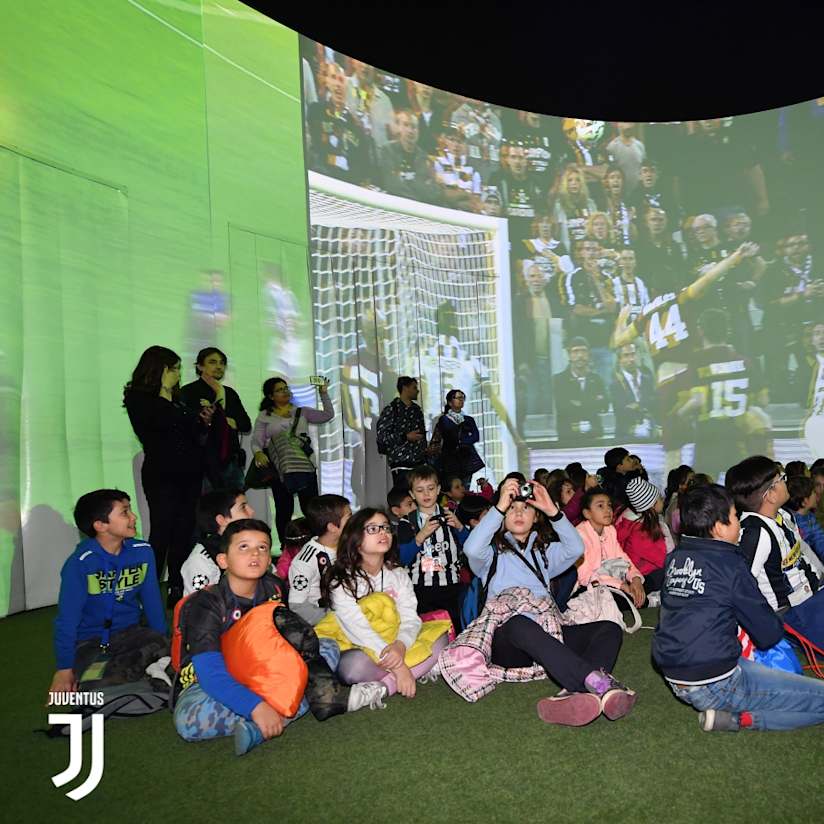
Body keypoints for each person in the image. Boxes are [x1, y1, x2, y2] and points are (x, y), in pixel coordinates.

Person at [173, 519, 387, 755]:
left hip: (265, 670)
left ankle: (267, 720)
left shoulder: (273, 588)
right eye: (244, 547)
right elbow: (210, 673)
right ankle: (280, 711)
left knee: (326, 646)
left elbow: (289, 641)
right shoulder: (206, 603)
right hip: (213, 679)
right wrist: (254, 706)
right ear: (223, 560)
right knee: (188, 722)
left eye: (263, 547)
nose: (255, 553)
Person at [455, 477, 635, 726]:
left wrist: (551, 509)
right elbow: (471, 549)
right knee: (518, 623)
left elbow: (575, 549)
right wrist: (498, 507)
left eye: (526, 507)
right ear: (501, 517)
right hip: (508, 642)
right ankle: (596, 683)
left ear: (536, 516)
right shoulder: (490, 554)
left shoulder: (544, 552)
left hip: (548, 632)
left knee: (609, 628)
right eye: (512, 508)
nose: (519, 512)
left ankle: (580, 691)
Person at [653, 483, 824, 732]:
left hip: (677, 674)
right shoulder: (730, 564)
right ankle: (741, 720)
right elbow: (768, 634)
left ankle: (729, 711)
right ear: (720, 528)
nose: (740, 524)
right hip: (716, 681)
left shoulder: (676, 557)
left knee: (771, 680)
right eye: (736, 517)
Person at [612, 240, 761, 472]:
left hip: (664, 381)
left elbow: (617, 342)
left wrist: (621, 318)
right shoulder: (681, 297)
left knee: (673, 448)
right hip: (689, 378)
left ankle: (675, 496)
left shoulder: (644, 314)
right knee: (713, 430)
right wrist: (737, 256)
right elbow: (709, 278)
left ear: (651, 289)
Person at [49, 490, 167, 700]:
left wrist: (164, 640)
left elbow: (152, 602)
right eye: (125, 512)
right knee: (94, 685)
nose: (134, 517)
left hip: (133, 634)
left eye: (130, 510)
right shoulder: (80, 563)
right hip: (91, 642)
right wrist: (64, 668)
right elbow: (67, 619)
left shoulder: (143, 551)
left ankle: (146, 673)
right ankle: (146, 676)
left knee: (176, 651)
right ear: (100, 525)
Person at [321, 508, 450, 699]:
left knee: (442, 639)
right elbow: (357, 628)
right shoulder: (341, 579)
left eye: (386, 528)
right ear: (355, 538)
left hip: (396, 640)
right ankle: (413, 671)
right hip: (360, 643)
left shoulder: (398, 574)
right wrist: (398, 667)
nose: (383, 533)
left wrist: (400, 645)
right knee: (351, 669)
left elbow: (410, 618)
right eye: (373, 529)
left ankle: (385, 687)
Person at [124, 345, 213, 607]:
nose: (177, 375)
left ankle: (177, 587)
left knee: (185, 532)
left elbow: (193, 438)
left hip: (189, 474)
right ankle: (148, 593)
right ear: (160, 369)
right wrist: (185, 414)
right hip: (162, 474)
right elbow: (158, 425)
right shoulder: (140, 399)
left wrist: (202, 422)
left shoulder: (178, 402)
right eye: (174, 369)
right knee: (162, 531)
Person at [726, 456, 824, 648]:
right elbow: (742, 585)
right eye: (781, 479)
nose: (786, 481)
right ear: (770, 495)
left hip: (813, 595)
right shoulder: (756, 534)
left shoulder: (784, 515)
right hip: (792, 612)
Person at [671, 309, 768, 478]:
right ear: (727, 330)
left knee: (705, 493)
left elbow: (698, 400)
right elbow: (763, 400)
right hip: (738, 437)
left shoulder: (698, 360)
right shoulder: (745, 362)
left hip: (708, 438)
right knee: (740, 489)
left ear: (701, 331)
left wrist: (677, 416)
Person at [251, 376, 334, 543]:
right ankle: (285, 547)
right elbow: (256, 441)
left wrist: (323, 393)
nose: (285, 391)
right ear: (270, 396)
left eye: (286, 388)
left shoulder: (301, 411)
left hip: (304, 465)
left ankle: (315, 542)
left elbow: (327, 415)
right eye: (280, 389)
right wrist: (258, 452)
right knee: (283, 509)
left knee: (310, 508)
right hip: (280, 468)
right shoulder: (264, 416)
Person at [398, 465, 468, 632]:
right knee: (426, 635)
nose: (426, 494)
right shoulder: (407, 523)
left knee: (454, 631)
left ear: (438, 490)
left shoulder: (452, 516)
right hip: (420, 588)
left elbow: (471, 548)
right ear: (412, 494)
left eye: (430, 488)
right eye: (420, 490)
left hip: (451, 586)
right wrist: (421, 536)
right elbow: (401, 559)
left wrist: (459, 528)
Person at [180, 347, 252, 491]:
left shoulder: (229, 393)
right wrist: (222, 421)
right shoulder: (188, 391)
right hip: (203, 461)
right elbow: (188, 425)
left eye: (222, 363)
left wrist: (230, 421)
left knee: (236, 507)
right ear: (200, 366)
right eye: (212, 362)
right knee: (208, 508)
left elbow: (246, 425)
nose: (219, 366)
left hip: (231, 460)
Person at [559, 238, 618, 386]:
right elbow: (575, 309)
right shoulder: (572, 277)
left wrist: (596, 279)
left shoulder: (607, 278)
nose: (591, 253)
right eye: (588, 249)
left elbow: (612, 307)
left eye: (595, 249)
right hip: (581, 342)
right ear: (582, 253)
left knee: (606, 386)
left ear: (600, 252)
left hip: (604, 342)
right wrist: (599, 311)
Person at [306, 61, 375, 187]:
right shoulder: (316, 111)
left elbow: (365, 168)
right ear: (326, 82)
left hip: (348, 187)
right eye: (333, 78)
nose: (338, 84)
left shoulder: (356, 126)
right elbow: (314, 148)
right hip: (320, 180)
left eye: (341, 80)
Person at [574, 487, 645, 608]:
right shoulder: (579, 535)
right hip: (588, 586)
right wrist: (620, 585)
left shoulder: (610, 530)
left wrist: (636, 579)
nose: (607, 510)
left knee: (643, 584)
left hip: (611, 580)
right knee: (614, 597)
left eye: (609, 505)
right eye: (600, 506)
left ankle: (639, 599)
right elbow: (585, 577)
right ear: (587, 513)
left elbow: (623, 558)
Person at [288, 495, 352, 625]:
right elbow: (297, 606)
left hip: (349, 608)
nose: (355, 521)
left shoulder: (347, 545)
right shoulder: (305, 561)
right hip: (327, 620)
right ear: (333, 527)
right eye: (349, 517)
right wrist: (334, 618)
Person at [181, 489, 256, 596]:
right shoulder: (201, 561)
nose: (252, 511)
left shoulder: (254, 545)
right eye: (243, 507)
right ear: (222, 520)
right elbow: (201, 606)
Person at [614, 477, 673, 597]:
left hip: (634, 571)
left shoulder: (628, 520)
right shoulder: (642, 532)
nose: (663, 500)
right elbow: (661, 559)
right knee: (668, 570)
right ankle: (649, 597)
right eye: (660, 498)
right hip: (642, 575)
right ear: (652, 505)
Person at [552, 337, 609, 442]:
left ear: (589, 354)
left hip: (594, 436)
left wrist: (579, 403)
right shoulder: (559, 380)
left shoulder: (596, 379)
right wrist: (593, 401)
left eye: (583, 351)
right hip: (569, 438)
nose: (580, 355)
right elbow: (564, 408)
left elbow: (605, 406)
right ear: (569, 355)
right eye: (575, 351)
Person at [375, 377, 427, 486]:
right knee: (404, 498)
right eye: (414, 387)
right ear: (405, 388)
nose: (417, 391)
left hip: (419, 462)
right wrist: (405, 436)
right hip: (401, 463)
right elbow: (382, 437)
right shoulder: (392, 409)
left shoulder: (416, 410)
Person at [378, 109, 438, 203]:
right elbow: (392, 184)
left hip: (419, 207)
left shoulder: (423, 156)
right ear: (398, 128)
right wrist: (417, 192)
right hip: (394, 203)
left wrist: (409, 183)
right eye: (406, 125)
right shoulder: (388, 150)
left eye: (414, 127)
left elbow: (431, 190)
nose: (411, 131)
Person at [429, 389, 484, 487]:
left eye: (462, 397)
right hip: (450, 460)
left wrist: (461, 440)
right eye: (458, 398)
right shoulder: (444, 419)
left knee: (465, 487)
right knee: (452, 486)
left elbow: (476, 436)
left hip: (466, 459)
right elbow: (447, 436)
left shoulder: (469, 419)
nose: (461, 400)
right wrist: (464, 438)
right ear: (450, 402)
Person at [611, 342, 656, 441]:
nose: (631, 359)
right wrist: (644, 405)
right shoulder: (615, 384)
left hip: (650, 436)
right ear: (620, 360)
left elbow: (655, 404)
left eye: (633, 354)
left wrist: (637, 405)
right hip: (626, 438)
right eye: (626, 356)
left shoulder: (648, 379)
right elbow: (621, 412)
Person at [785, 474, 824, 565]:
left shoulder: (810, 517)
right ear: (805, 501)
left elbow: (819, 540)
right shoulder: (790, 522)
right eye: (814, 492)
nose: (817, 494)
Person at [663, 464, 694, 541]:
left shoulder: (676, 500)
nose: (694, 484)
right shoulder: (676, 504)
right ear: (680, 485)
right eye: (691, 481)